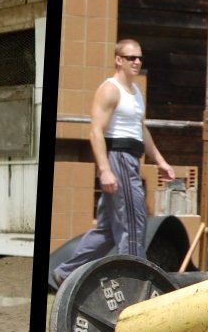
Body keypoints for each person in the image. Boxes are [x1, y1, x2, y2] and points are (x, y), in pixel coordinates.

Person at [51, 39, 175, 287]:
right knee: (134, 222)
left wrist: (160, 161)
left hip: (131, 157)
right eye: (131, 58)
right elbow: (95, 131)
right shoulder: (110, 89)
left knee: (106, 232)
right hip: (118, 159)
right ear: (118, 60)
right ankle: (134, 283)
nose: (137, 62)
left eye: (139, 58)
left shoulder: (135, 92)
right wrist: (105, 170)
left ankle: (66, 272)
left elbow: (140, 129)